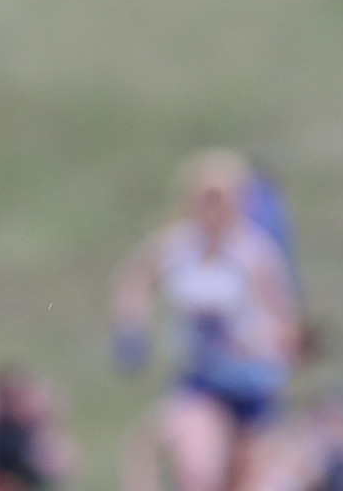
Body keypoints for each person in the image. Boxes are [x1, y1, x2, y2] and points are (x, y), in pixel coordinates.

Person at [111, 149, 302, 491]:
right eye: (205, 200)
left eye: (220, 200)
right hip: (199, 379)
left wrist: (278, 347)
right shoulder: (175, 246)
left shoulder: (254, 252)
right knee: (198, 471)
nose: (212, 210)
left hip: (250, 380)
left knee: (243, 480)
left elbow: (282, 314)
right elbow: (134, 280)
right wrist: (131, 328)